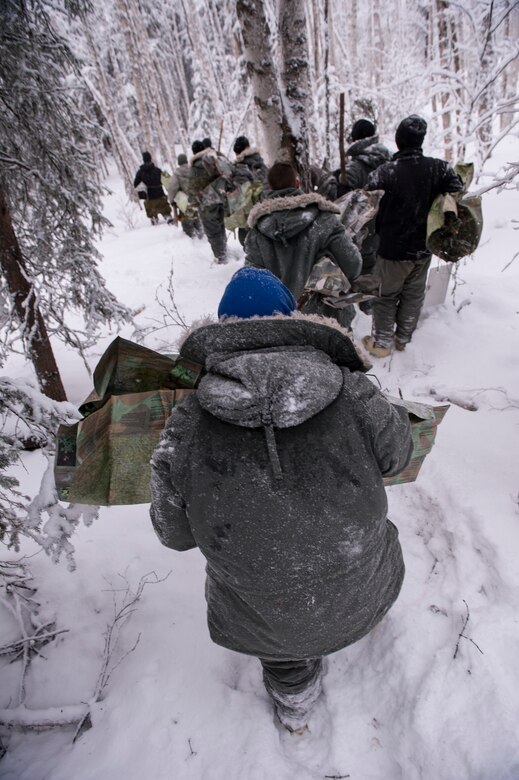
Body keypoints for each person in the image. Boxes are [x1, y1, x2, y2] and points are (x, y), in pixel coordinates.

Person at [149, 267, 413, 734]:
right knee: (346, 579)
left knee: (280, 647)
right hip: (365, 588)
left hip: (262, 616)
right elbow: (397, 458)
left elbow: (174, 535)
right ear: (292, 320)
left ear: (225, 333)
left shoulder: (185, 425)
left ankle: (295, 702)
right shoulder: (351, 392)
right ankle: (344, 634)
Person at [363, 115, 463, 357]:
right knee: (413, 294)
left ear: (399, 141)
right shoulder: (439, 168)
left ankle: (381, 344)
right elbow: (458, 188)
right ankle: (404, 339)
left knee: (386, 296)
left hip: (391, 249)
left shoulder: (384, 173)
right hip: (424, 246)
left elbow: (365, 204)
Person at [244, 161, 362, 330]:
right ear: (298, 183)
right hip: (328, 322)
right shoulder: (324, 220)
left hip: (281, 324)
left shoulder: (256, 234)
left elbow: (251, 284)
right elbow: (353, 265)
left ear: (269, 189)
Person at [335, 119, 392, 276]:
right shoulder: (392, 162)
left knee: (364, 284)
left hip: (364, 236)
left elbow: (342, 205)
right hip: (390, 234)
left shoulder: (353, 170)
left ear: (355, 140)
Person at [188, 139, 228, 264]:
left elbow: (193, 189)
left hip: (206, 204)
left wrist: (191, 204)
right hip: (221, 199)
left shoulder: (195, 168)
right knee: (221, 226)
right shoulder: (214, 159)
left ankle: (221, 256)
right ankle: (224, 249)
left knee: (212, 231)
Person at [231, 136, 268, 246]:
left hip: (250, 216)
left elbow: (240, 199)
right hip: (267, 211)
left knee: (248, 244)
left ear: (237, 153)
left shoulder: (239, 169)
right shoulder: (262, 164)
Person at [167, 152, 203, 239]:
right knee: (198, 220)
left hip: (184, 203)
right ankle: (202, 238)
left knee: (187, 224)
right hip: (197, 200)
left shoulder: (177, 174)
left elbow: (172, 188)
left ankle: (192, 241)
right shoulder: (194, 170)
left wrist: (172, 201)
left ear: (179, 162)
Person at [133, 151, 174, 226]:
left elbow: (136, 184)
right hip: (161, 197)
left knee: (151, 212)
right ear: (150, 158)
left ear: (143, 160)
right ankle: (167, 216)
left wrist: (143, 194)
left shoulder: (140, 172)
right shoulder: (158, 170)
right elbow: (169, 182)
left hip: (149, 200)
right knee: (166, 211)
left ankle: (154, 218)